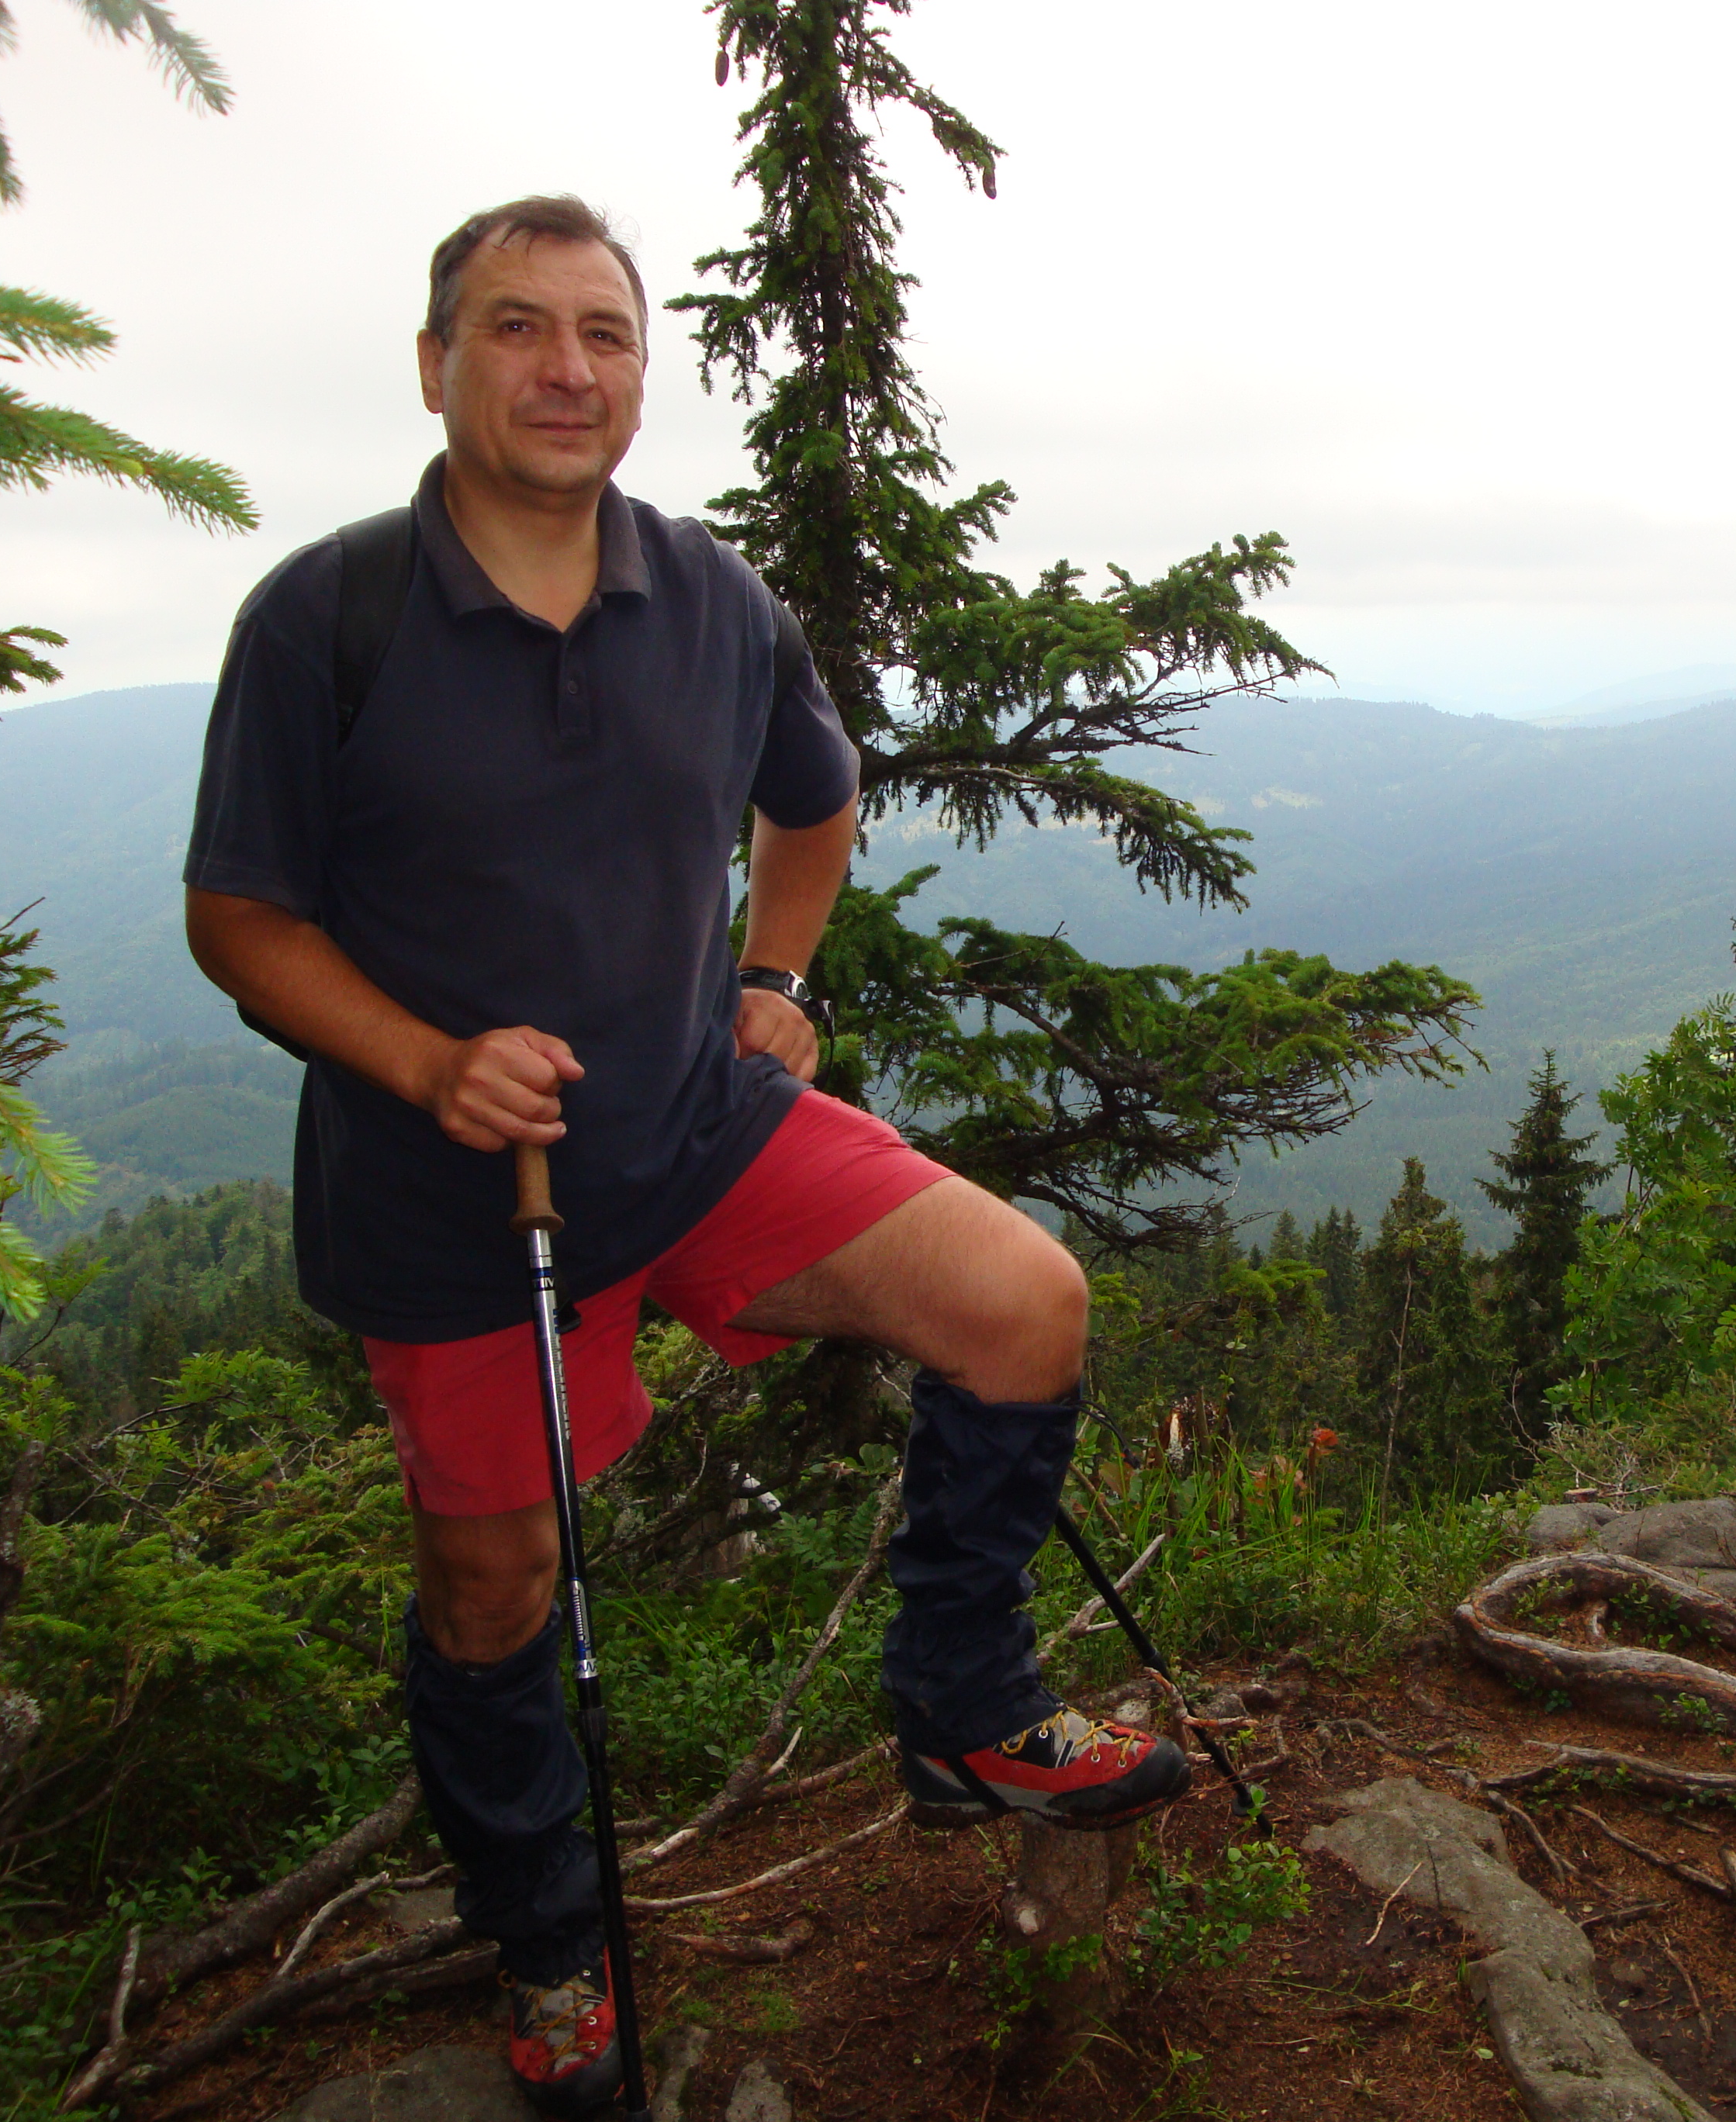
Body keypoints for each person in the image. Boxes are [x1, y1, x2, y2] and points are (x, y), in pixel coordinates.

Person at [184, 195, 1185, 2117]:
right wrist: (427, 1061)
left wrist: (776, 976)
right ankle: (546, 1934)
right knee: (495, 1591)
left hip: (700, 1134)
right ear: (436, 366)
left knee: (1022, 1305)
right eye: (516, 327)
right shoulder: (329, 617)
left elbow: (816, 798)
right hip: (453, 1209)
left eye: (604, 333)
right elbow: (240, 915)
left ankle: (964, 1707)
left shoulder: (714, 598)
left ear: (642, 372)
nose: (566, 368)